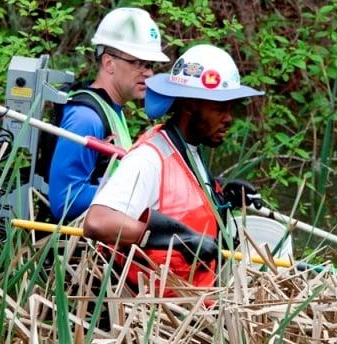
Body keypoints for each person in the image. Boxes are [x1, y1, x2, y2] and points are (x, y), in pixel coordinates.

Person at [84, 44, 264, 294]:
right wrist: (171, 238)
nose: (229, 118)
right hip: (154, 317)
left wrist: (221, 195)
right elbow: (98, 222)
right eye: (220, 107)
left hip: (194, 307)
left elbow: (182, 203)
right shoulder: (148, 159)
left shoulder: (190, 149)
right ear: (190, 105)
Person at [48, 8, 169, 220]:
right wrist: (138, 193)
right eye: (138, 63)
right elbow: (65, 201)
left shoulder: (111, 111)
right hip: (71, 249)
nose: (149, 73)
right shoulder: (86, 118)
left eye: (150, 65)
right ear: (109, 63)